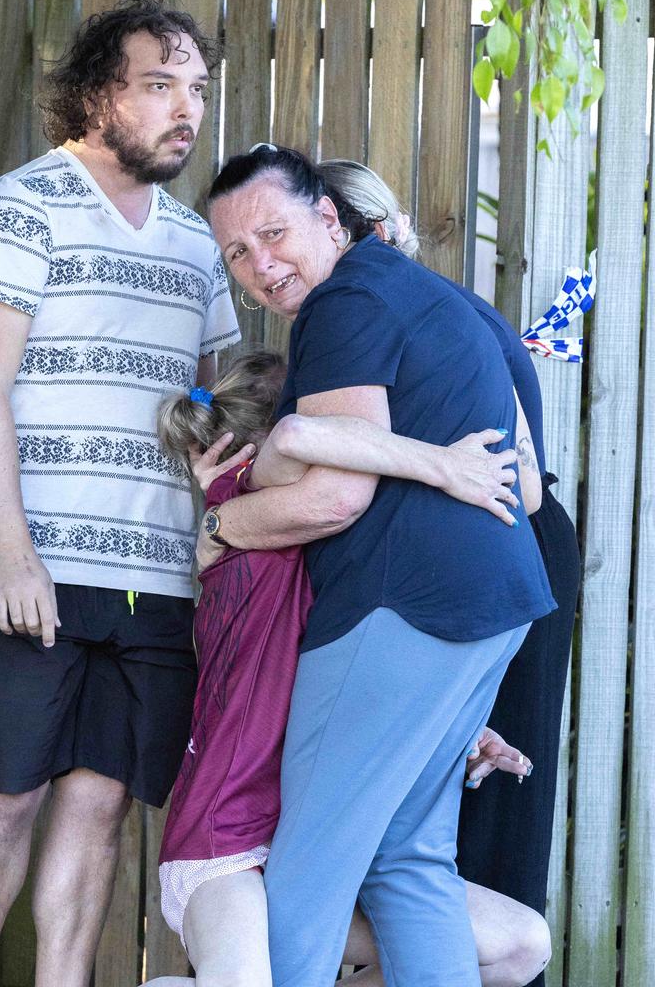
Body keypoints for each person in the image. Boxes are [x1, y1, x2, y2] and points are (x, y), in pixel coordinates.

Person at [198, 144, 556, 987]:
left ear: (330, 219)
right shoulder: (437, 299)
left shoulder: (346, 299)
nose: (261, 264)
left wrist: (221, 526)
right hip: (491, 603)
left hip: (398, 608)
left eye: (275, 233)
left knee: (307, 872)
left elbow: (335, 498)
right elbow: (531, 488)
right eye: (238, 254)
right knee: (407, 858)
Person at [0, 0, 240, 987]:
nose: (184, 108)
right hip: (26, 560)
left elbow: (219, 395)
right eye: (159, 85)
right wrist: (16, 556)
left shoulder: (199, 242)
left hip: (154, 575)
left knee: (100, 800)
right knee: (10, 792)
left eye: (195, 88)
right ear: (97, 93)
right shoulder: (19, 208)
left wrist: (206, 427)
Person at [143, 348, 549, 987]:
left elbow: (356, 684)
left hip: (329, 839)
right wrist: (444, 463)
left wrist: (450, 728)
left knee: (520, 946)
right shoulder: (250, 512)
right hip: (228, 845)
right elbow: (302, 440)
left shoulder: (341, 547)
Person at [320, 159, 580, 987]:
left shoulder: (437, 315)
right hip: (471, 567)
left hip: (507, 560)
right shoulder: (371, 312)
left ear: (375, 233)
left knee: (486, 797)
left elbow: (524, 484)